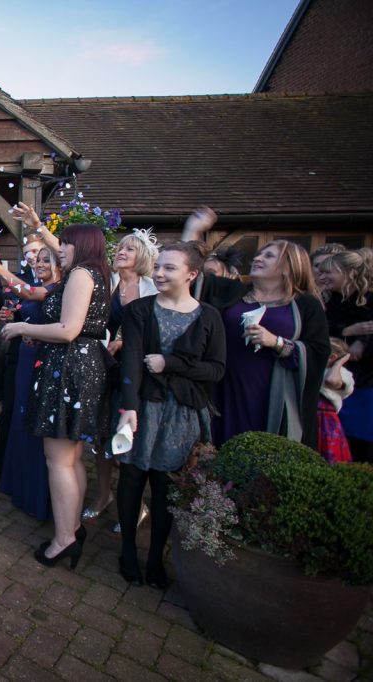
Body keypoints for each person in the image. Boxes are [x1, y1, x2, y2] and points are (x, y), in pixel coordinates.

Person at [114, 243, 226, 589]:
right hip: (142, 407)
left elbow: (217, 370)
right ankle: (128, 551)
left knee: (166, 487)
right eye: (158, 267)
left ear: (192, 274)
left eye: (170, 268)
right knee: (132, 480)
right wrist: (128, 408)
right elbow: (131, 360)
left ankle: (156, 558)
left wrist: (170, 363)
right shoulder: (140, 311)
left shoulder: (209, 316)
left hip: (182, 415)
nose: (160, 274)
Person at [0, 224, 112, 571]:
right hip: (80, 366)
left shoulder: (80, 274)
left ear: (80, 246)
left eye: (64, 244)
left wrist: (21, 328)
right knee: (73, 456)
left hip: (69, 369)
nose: (58, 250)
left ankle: (63, 539)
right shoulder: (96, 272)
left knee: (59, 459)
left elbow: (68, 329)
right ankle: (73, 529)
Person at [213, 241, 330, 450]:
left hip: (271, 392)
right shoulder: (233, 293)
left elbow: (319, 352)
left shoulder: (305, 304)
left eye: (268, 256)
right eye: (259, 254)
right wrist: (193, 230)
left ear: (288, 266)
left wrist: (276, 342)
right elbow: (192, 275)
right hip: (227, 387)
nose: (257, 258)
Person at [82, 229, 159, 521]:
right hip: (105, 367)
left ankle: (137, 504)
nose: (121, 252)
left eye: (129, 249)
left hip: (136, 373)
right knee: (101, 437)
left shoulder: (152, 289)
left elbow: (155, 333)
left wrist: (127, 342)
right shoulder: (108, 282)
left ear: (143, 258)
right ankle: (103, 494)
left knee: (127, 438)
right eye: (120, 248)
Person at [0, 247, 61, 520]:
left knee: (34, 422)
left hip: (42, 361)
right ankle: (19, 486)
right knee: (19, 419)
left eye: (47, 260)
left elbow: (28, 295)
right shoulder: (37, 286)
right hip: (25, 357)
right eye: (38, 260)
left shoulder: (57, 290)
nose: (39, 264)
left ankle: (38, 495)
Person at [318, 249, 373, 461]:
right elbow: (319, 333)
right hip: (327, 387)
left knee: (362, 448)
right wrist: (347, 331)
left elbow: (359, 352)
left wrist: (363, 343)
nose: (322, 277)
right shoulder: (326, 302)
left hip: (364, 387)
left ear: (349, 272)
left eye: (328, 272)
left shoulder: (369, 302)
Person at [317, 338, 354, 464]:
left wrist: (338, 364)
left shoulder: (343, 374)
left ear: (332, 357)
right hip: (308, 414)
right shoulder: (314, 367)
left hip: (324, 419)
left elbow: (331, 380)